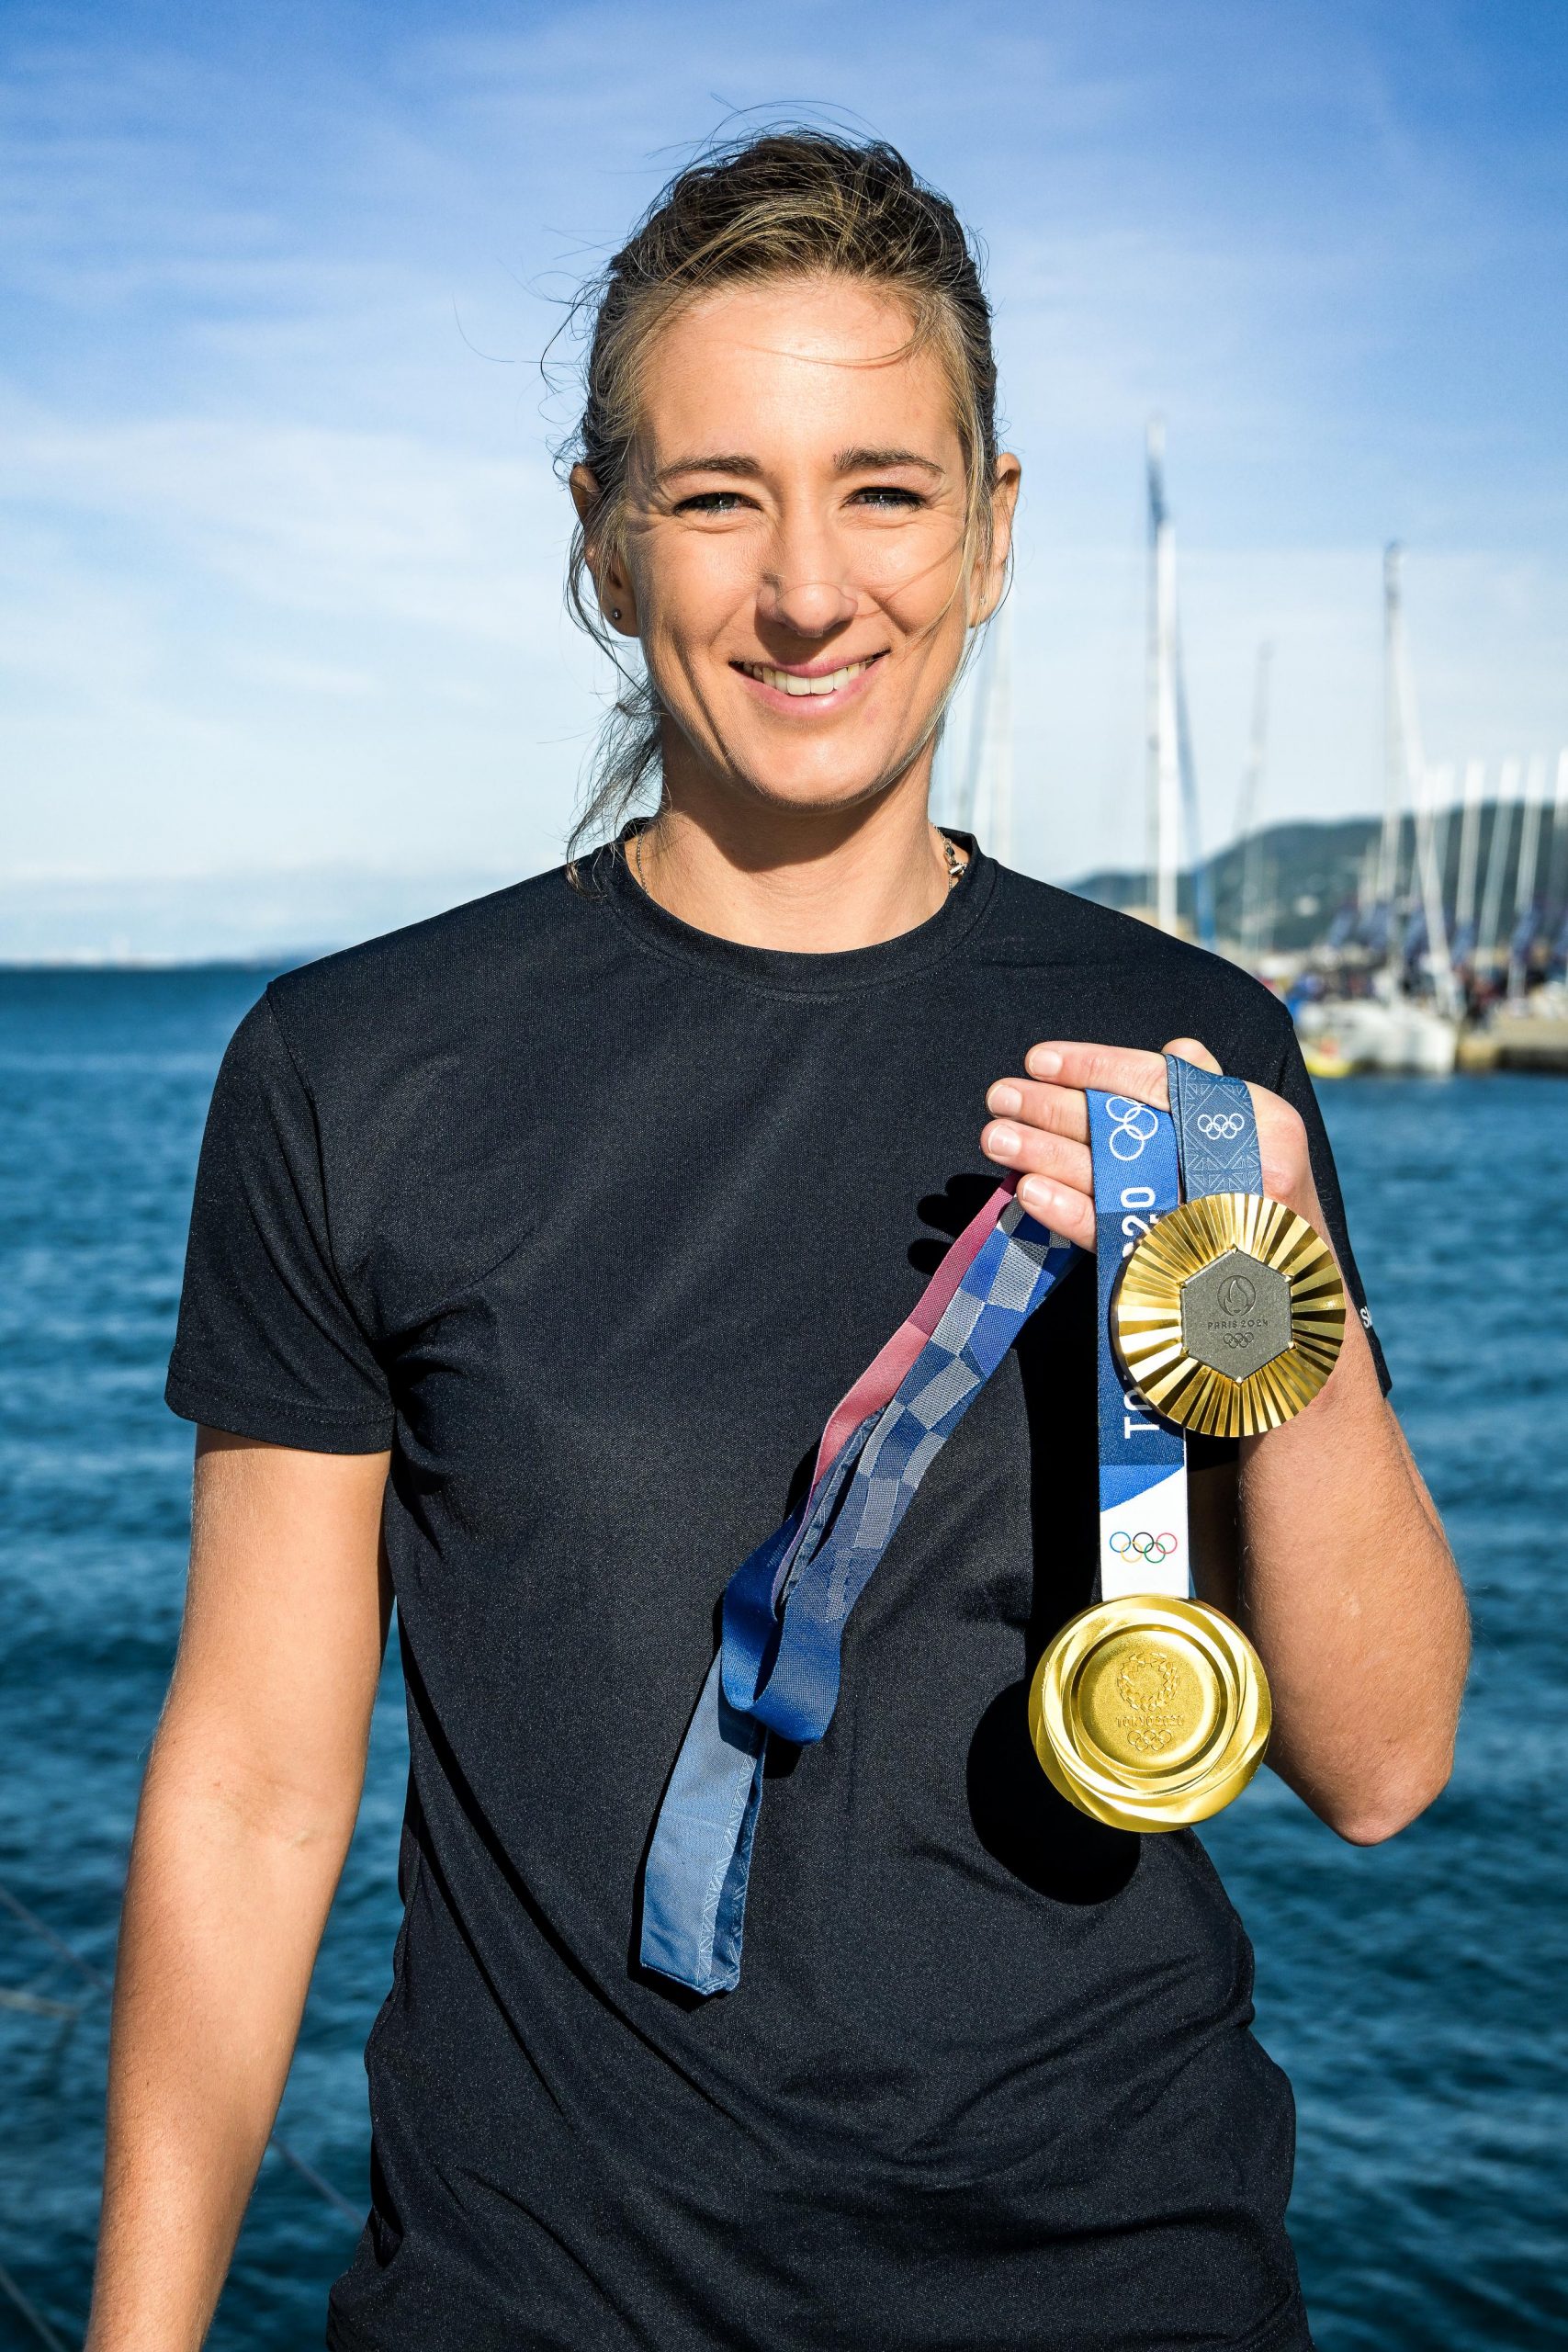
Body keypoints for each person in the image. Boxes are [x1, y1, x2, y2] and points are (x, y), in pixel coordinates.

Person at [87, 129, 1470, 2352]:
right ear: (604, 534)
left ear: (993, 529)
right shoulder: (354, 1069)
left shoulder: (1190, 1054)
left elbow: (1380, 1760)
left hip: (1115, 2286)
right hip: (531, 2303)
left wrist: (1268, 1296)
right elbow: (255, 1783)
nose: (808, 586)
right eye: (720, 491)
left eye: (886, 487)